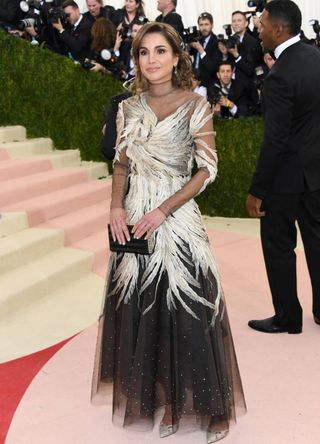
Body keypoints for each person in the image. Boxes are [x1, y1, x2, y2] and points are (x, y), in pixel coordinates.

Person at [92, 21, 246, 444]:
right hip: (134, 217)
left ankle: (210, 410)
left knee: (190, 309)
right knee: (145, 309)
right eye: (144, 52)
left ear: (177, 57)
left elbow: (207, 170)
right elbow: (121, 163)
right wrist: (115, 205)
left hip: (175, 217)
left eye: (160, 51)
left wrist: (163, 209)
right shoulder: (127, 107)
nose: (152, 60)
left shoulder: (195, 105)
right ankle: (169, 401)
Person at [246, 0, 320, 334]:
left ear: (278, 29)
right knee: (317, 241)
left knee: (278, 245)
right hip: (317, 172)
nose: (258, 30)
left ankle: (289, 317)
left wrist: (257, 189)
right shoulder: (317, 58)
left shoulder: (278, 76)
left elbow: (274, 140)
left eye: (261, 25)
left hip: (285, 178)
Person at [190, 12, 222, 91]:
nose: (204, 28)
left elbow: (213, 68)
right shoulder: (197, 39)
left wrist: (200, 49)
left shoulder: (217, 42)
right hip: (192, 80)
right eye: (201, 25)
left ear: (212, 25)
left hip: (208, 83)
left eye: (206, 24)